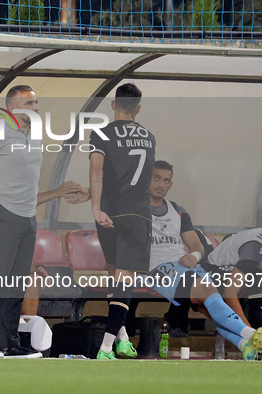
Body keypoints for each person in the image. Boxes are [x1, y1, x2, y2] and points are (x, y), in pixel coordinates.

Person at [0, 84, 82, 358]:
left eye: (36, 103)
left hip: (27, 219)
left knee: (16, 283)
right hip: (2, 215)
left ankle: (10, 343)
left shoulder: (33, 136)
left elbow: (27, 189)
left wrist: (57, 193)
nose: (36, 108)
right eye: (30, 104)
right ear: (12, 108)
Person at [145, 160, 262, 360]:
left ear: (171, 184)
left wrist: (195, 255)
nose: (161, 184)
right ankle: (252, 335)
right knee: (209, 292)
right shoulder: (134, 210)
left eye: (166, 180)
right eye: (156, 178)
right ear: (146, 178)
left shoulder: (178, 211)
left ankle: (244, 345)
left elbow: (197, 246)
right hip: (160, 269)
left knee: (209, 306)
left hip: (186, 266)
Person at [88, 83, 156, 360]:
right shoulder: (149, 136)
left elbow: (97, 170)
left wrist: (94, 206)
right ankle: (106, 348)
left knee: (116, 277)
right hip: (138, 215)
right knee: (124, 283)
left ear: (113, 104)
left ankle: (123, 339)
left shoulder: (101, 133)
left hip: (108, 215)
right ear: (138, 109)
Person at [202, 217, 262, 330]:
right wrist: (247, 330)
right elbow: (229, 293)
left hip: (241, 272)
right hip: (210, 272)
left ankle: (259, 333)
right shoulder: (254, 247)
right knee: (260, 278)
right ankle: (257, 333)